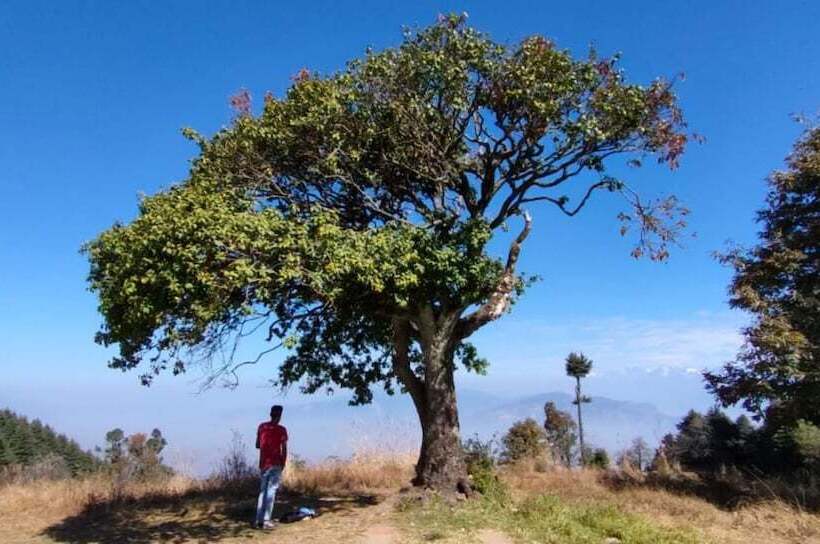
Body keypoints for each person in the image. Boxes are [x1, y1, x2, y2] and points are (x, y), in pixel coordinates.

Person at [254, 404, 288, 529]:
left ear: (270, 414)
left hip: (264, 463)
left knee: (263, 491)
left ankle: (258, 520)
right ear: (279, 416)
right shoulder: (282, 430)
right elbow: (284, 449)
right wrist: (283, 462)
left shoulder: (262, 427)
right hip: (276, 463)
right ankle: (266, 520)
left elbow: (257, 445)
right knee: (271, 491)